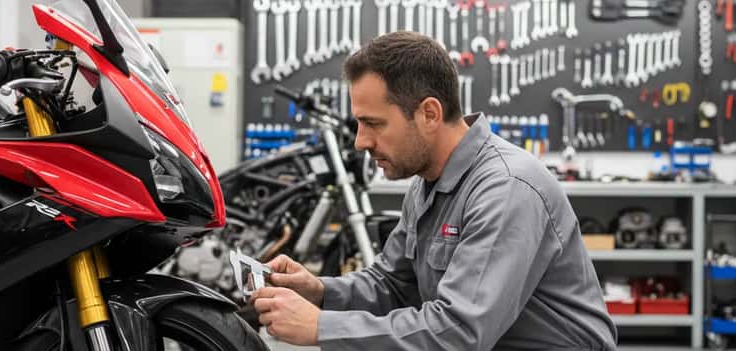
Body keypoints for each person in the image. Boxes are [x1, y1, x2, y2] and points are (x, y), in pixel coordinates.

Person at [250, 31, 617, 350]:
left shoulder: (505, 189)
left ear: (429, 114)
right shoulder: (429, 181)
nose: (361, 142)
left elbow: (458, 332)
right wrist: (319, 291)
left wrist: (321, 327)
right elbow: (391, 284)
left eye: (372, 123)